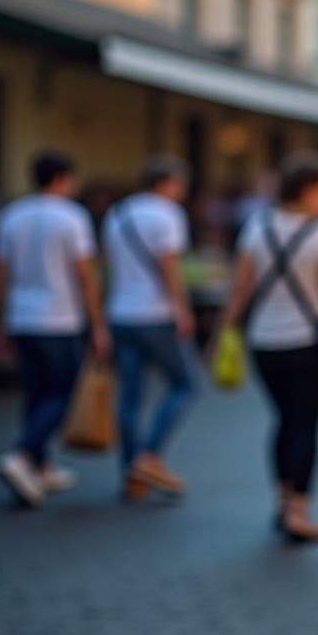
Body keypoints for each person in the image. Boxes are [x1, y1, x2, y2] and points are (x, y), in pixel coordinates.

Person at [211, 151, 318, 543]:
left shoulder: (256, 227)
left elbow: (239, 291)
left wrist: (218, 335)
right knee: (305, 426)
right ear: (309, 190)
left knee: (282, 423)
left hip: (263, 344)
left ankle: (282, 503)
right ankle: (298, 511)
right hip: (308, 346)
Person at [0, 152, 109, 508]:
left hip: (21, 317)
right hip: (59, 318)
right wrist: (98, 324)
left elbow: (0, 274)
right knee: (64, 392)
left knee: (36, 393)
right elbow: (85, 275)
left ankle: (39, 466)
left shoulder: (10, 215)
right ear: (61, 178)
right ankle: (23, 455)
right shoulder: (72, 217)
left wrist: (1, 321)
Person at [102, 155, 197, 501]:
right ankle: (149, 455)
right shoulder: (167, 215)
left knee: (130, 396)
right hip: (154, 314)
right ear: (168, 183)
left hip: (120, 313)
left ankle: (132, 474)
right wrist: (182, 310)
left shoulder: (117, 213)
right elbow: (169, 268)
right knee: (185, 385)